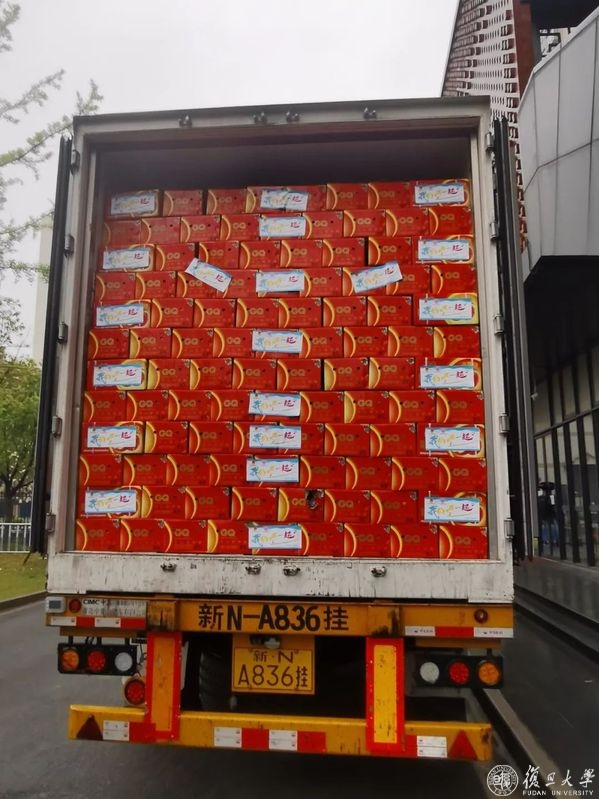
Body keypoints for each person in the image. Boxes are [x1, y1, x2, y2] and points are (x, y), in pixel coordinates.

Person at [537, 482, 559, 549]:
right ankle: (554, 540)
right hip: (549, 515)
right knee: (552, 527)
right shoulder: (551, 497)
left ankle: (552, 540)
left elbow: (552, 506)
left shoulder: (541, 498)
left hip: (548, 515)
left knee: (549, 527)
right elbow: (553, 506)